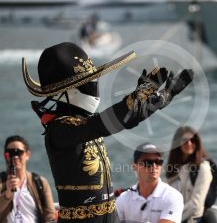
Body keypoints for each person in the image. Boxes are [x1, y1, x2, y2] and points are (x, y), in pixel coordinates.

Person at [21, 42, 193, 222]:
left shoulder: (83, 124)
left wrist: (161, 98)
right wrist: (142, 92)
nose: (93, 90)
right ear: (64, 93)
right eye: (86, 85)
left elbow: (126, 117)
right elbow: (115, 120)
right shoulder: (60, 130)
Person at [116, 143, 184, 223]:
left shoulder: (173, 196)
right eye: (148, 162)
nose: (154, 166)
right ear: (134, 166)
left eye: (158, 161)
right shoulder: (123, 198)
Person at [0, 135, 56, 223]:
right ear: (6, 155)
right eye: (11, 152)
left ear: (27, 155)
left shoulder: (40, 182)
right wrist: (7, 195)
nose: (15, 156)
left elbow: (50, 214)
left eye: (19, 152)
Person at [165, 126, 213, 223]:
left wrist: (171, 219)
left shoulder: (203, 168)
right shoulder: (173, 168)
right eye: (185, 141)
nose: (189, 143)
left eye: (193, 140)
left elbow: (196, 204)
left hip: (191, 220)